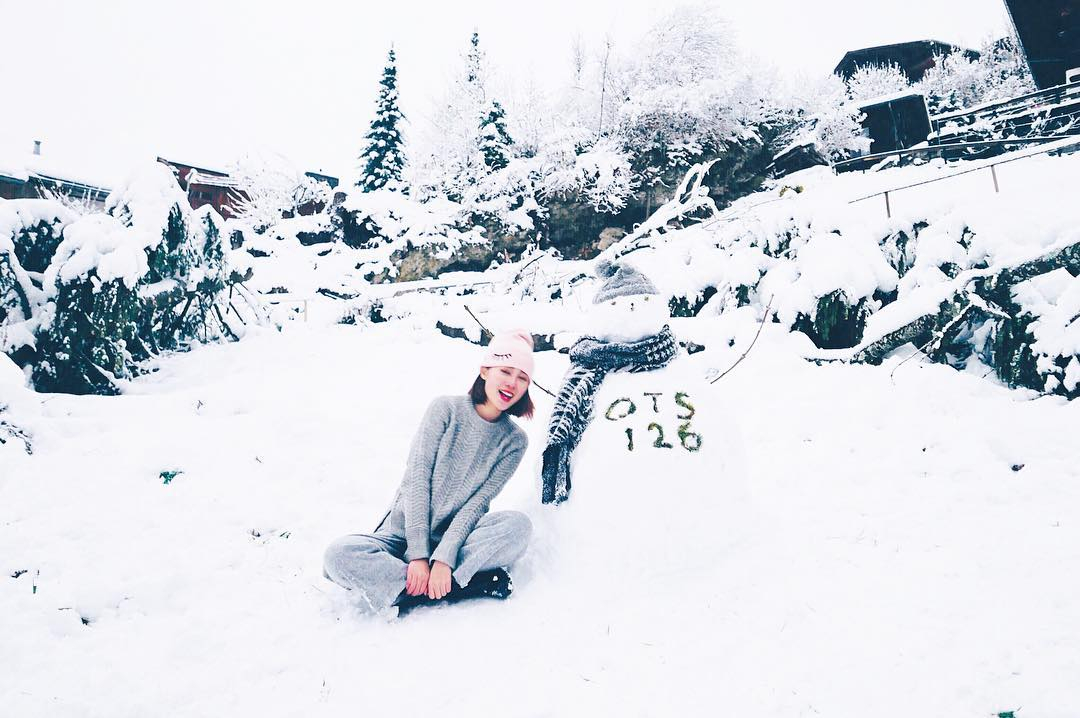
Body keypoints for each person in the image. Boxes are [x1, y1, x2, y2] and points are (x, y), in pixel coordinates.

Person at [323, 331, 535, 615]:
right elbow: (417, 481)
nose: (512, 383)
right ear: (485, 370)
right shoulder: (445, 409)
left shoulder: (514, 441)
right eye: (506, 371)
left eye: (522, 378)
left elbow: (478, 503)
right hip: (402, 535)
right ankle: (461, 585)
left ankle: (412, 588)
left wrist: (444, 558)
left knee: (517, 526)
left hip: (458, 542)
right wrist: (419, 556)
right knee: (337, 555)